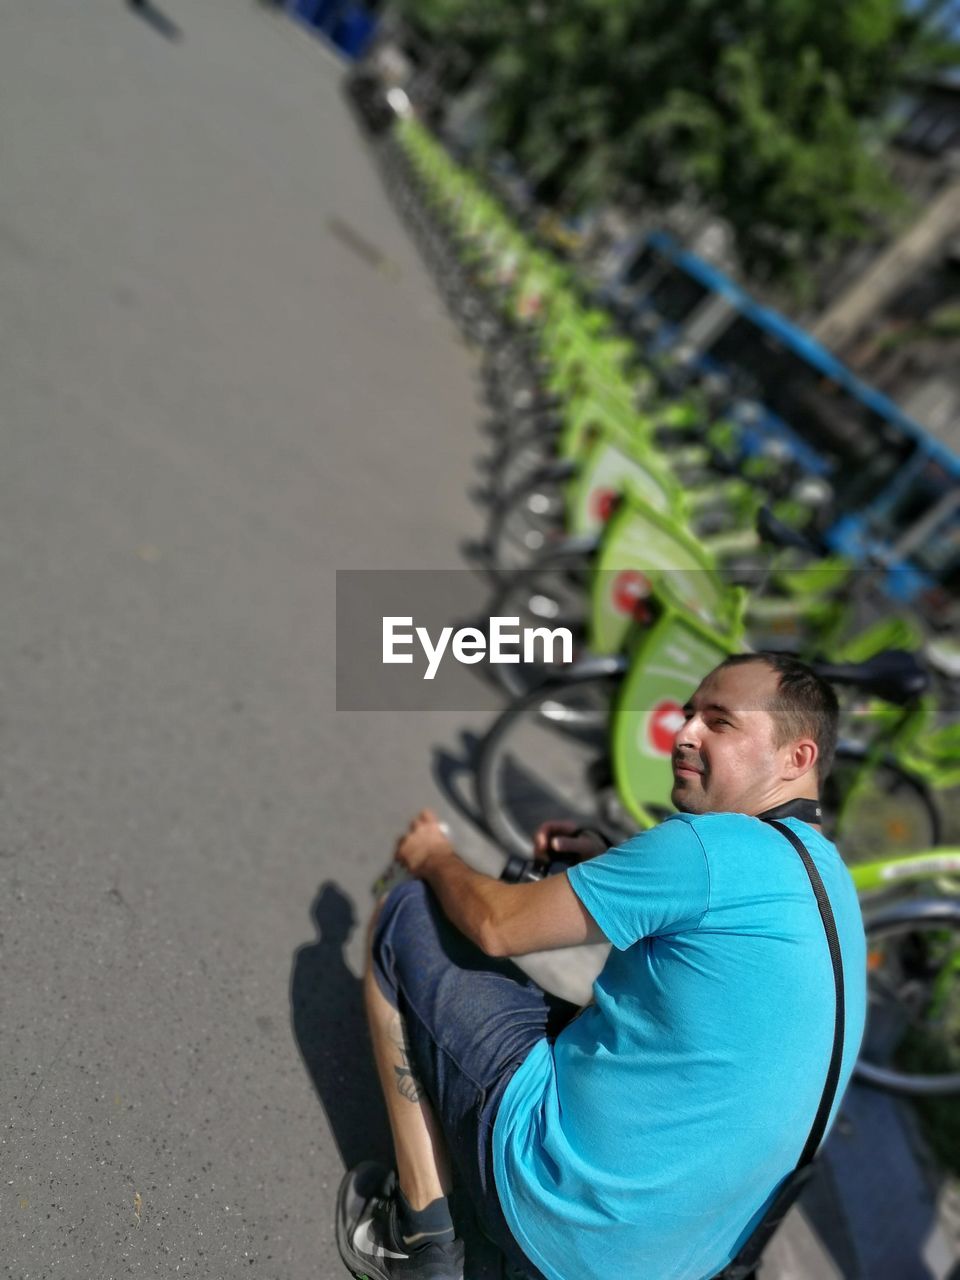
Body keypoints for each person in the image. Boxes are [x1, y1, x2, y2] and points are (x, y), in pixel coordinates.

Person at [336, 653, 867, 1280]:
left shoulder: (706, 847)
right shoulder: (832, 883)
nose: (685, 731)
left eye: (720, 722)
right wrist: (608, 861)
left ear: (796, 758)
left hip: (569, 1227)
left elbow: (497, 925)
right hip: (681, 1263)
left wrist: (434, 857)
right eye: (690, 711)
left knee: (409, 916)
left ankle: (418, 1242)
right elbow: (709, 935)